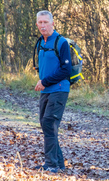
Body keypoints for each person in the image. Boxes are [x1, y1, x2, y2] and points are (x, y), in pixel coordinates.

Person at [34, 10, 72, 173]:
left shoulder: (61, 42)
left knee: (49, 123)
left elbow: (66, 70)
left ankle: (51, 164)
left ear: (52, 23)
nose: (43, 25)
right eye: (40, 22)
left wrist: (45, 81)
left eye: (45, 22)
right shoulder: (40, 42)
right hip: (45, 90)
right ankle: (58, 163)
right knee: (45, 124)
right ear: (37, 24)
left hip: (59, 89)